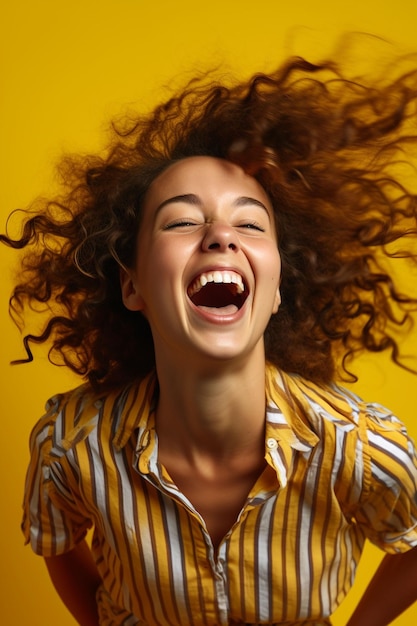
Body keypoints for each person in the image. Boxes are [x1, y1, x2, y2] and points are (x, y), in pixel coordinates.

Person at [2, 48, 417, 626]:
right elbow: (57, 544)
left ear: (274, 291)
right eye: (180, 219)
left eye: (249, 223)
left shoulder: (361, 448)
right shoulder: (70, 446)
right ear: (132, 285)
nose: (221, 234)